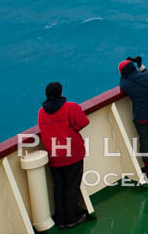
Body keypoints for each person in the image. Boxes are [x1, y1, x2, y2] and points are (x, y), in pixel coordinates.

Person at [37, 82, 89, 229]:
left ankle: (60, 219)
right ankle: (72, 218)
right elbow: (83, 122)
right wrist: (72, 130)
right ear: (60, 93)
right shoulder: (71, 107)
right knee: (72, 186)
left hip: (54, 156)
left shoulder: (41, 112)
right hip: (72, 154)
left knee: (58, 187)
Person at [118, 57, 148, 179]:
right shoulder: (147, 76)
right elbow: (145, 70)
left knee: (146, 141)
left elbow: (122, 81)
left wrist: (125, 71)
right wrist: (138, 63)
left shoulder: (125, 84)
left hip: (142, 116)